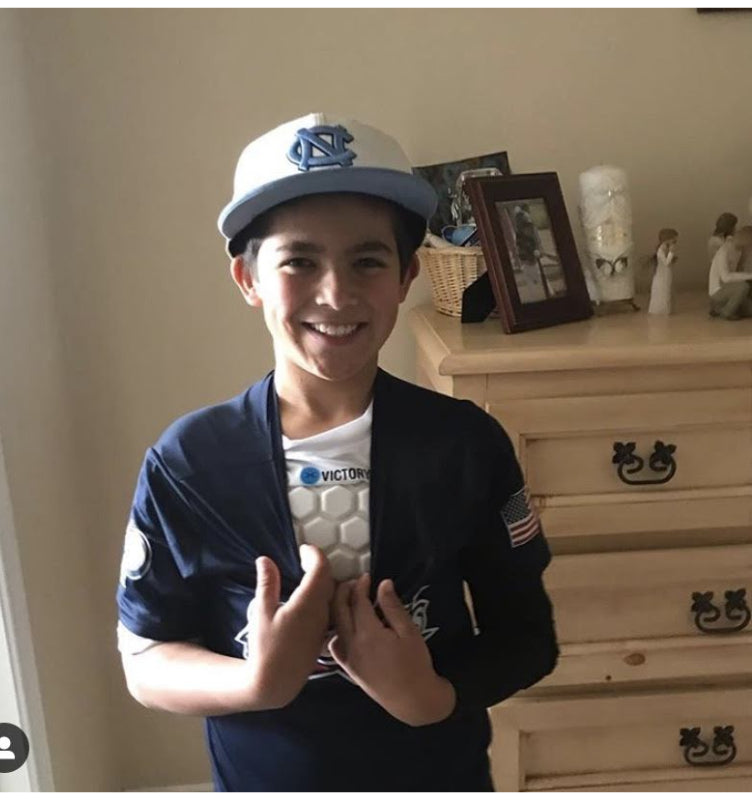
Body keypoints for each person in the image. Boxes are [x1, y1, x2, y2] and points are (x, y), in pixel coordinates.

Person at [116, 112, 558, 792]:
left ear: (406, 275)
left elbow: (527, 637)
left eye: (367, 261)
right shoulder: (191, 463)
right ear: (248, 278)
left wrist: (430, 698)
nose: (336, 293)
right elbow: (146, 657)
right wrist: (253, 683)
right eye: (299, 260)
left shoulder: (465, 446)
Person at [708, 225, 752, 319]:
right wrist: (749, 276)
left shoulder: (740, 251)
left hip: (731, 290)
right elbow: (726, 277)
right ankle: (726, 313)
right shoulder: (724, 251)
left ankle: (720, 308)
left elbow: (739, 272)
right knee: (743, 286)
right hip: (718, 291)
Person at [648, 228, 678, 315]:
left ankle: (666, 309)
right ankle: (660, 310)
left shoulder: (664, 250)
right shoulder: (660, 251)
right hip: (662, 275)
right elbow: (666, 263)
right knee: (663, 291)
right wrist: (671, 252)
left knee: (666, 291)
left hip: (666, 274)